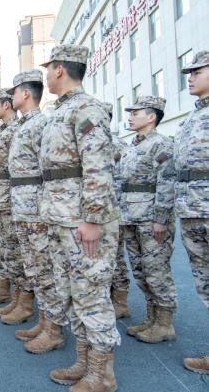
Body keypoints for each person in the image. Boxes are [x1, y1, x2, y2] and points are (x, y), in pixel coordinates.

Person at [39, 44, 120, 392]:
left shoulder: (88, 108)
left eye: (48, 68)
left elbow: (98, 165)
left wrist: (93, 218)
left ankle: (103, 375)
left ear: (59, 69)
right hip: (62, 218)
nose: (45, 75)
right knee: (73, 293)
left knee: (92, 294)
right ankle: (86, 364)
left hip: (81, 220)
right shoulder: (64, 110)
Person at [7, 70, 66, 353]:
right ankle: (45, 322)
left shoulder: (41, 124)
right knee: (34, 268)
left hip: (37, 210)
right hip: (23, 208)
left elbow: (48, 170)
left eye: (14, 92)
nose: (12, 97)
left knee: (45, 269)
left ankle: (54, 330)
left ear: (26, 93)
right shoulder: (24, 126)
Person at [120, 96, 177, 344]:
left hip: (150, 219)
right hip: (131, 217)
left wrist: (161, 219)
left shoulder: (161, 144)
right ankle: (152, 318)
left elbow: (167, 183)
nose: (130, 116)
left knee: (156, 271)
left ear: (151, 117)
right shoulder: (132, 146)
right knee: (141, 270)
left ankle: (165, 324)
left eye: (136, 112)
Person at [175, 50, 209, 374]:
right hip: (193, 210)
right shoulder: (191, 119)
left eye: (198, 71)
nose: (191, 76)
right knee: (205, 285)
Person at [0, 88, 31, 324]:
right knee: (7, 248)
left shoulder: (18, 129)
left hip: (15, 200)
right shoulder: (6, 130)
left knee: (16, 250)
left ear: (6, 105)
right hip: (2, 198)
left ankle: (24, 302)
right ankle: (15, 297)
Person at [105, 103, 131, 320]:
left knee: (116, 258)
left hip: (115, 210)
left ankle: (120, 301)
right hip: (95, 211)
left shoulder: (117, 145)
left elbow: (125, 180)